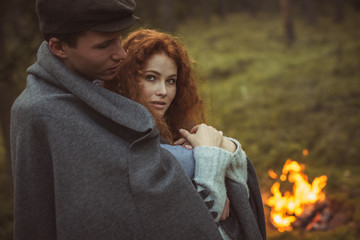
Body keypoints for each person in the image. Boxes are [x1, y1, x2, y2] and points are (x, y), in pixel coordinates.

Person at [10, 1, 227, 239]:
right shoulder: (43, 111)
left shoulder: (95, 86)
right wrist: (210, 162)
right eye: (104, 45)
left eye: (119, 38)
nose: (121, 53)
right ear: (58, 47)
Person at [104, 29, 267, 240]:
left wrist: (227, 147)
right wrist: (209, 154)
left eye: (170, 81)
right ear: (126, 79)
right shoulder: (120, 142)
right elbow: (202, 218)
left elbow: (233, 198)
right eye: (151, 77)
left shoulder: (175, 131)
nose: (163, 90)